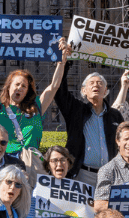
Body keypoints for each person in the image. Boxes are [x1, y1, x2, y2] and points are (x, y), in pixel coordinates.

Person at [53, 39, 124, 184]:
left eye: (100, 83)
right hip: (82, 174)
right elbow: (59, 91)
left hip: (110, 175)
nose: (96, 85)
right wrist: (65, 61)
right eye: (91, 83)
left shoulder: (115, 115)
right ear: (84, 91)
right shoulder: (76, 110)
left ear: (105, 90)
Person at [0, 66, 64, 155]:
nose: (20, 88)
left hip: (29, 160)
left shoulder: (35, 109)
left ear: (27, 91)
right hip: (4, 161)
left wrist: (61, 63)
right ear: (9, 87)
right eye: (17, 84)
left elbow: (54, 86)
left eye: (24, 86)